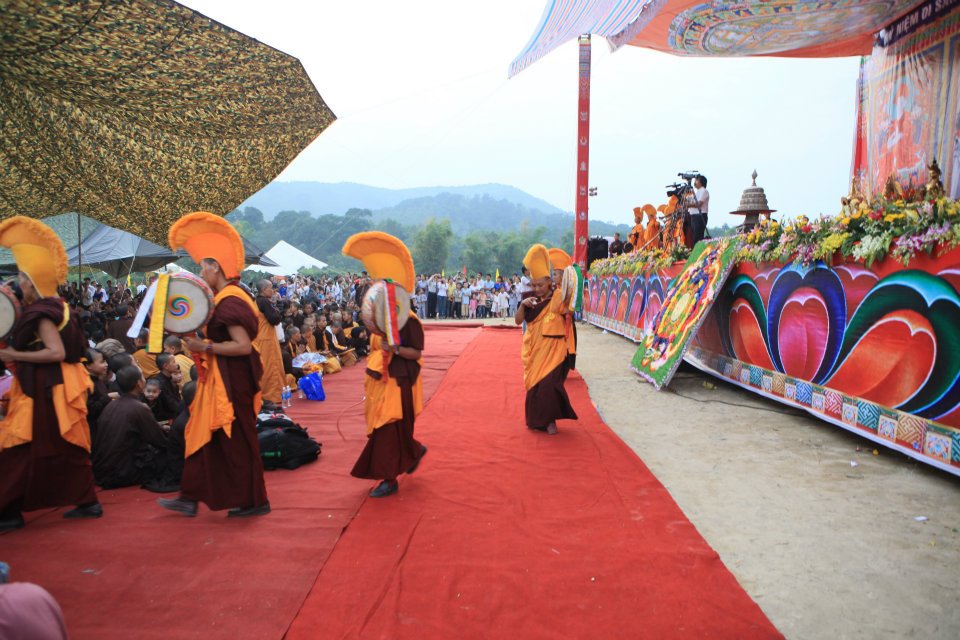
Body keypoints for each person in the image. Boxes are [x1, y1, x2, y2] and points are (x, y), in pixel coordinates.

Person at [158, 212, 269, 518]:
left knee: (236, 440)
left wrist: (205, 346)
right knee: (204, 432)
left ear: (216, 266)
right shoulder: (222, 298)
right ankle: (190, 495)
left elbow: (242, 345)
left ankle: (254, 500)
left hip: (233, 381)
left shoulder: (231, 299)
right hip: (221, 378)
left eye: (203, 266)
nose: (200, 272)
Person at [0, 216, 101, 531]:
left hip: (47, 385)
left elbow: (55, 352)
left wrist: (13, 355)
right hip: (57, 382)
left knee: (19, 445)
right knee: (65, 445)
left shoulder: (43, 312)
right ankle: (87, 501)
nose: (19, 283)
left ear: (31, 281)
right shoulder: (60, 305)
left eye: (21, 277)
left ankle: (8, 510)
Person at [342, 231, 426, 498]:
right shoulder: (379, 319)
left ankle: (390, 478)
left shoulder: (407, 319)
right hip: (380, 377)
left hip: (398, 381)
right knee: (388, 428)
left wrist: (396, 349)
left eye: (379, 286)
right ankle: (412, 451)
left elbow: (416, 352)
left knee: (387, 428)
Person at [515, 244, 578, 435]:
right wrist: (522, 306)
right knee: (535, 385)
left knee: (549, 385)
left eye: (540, 285)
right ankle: (536, 420)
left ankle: (550, 420)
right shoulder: (529, 299)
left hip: (555, 350)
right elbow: (518, 321)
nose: (537, 289)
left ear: (549, 282)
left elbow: (569, 309)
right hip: (535, 351)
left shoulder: (558, 296)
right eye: (534, 285)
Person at [92, 365, 170, 489]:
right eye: (143, 378)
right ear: (139, 384)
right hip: (123, 473)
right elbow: (159, 441)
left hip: (102, 470)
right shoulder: (139, 407)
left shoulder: (110, 405)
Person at [253, 279, 285, 405]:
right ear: (264, 290)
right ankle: (272, 395)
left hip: (259, 338)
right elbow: (275, 319)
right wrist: (276, 309)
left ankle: (262, 394)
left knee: (263, 367)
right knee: (272, 367)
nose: (273, 290)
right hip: (267, 340)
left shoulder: (255, 301)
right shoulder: (264, 302)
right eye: (271, 287)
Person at [688, 174, 710, 244]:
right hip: (694, 216)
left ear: (701, 182)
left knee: (697, 238)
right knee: (694, 237)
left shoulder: (704, 191)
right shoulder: (697, 192)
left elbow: (699, 204)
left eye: (696, 180)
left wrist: (688, 205)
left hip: (700, 216)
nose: (695, 182)